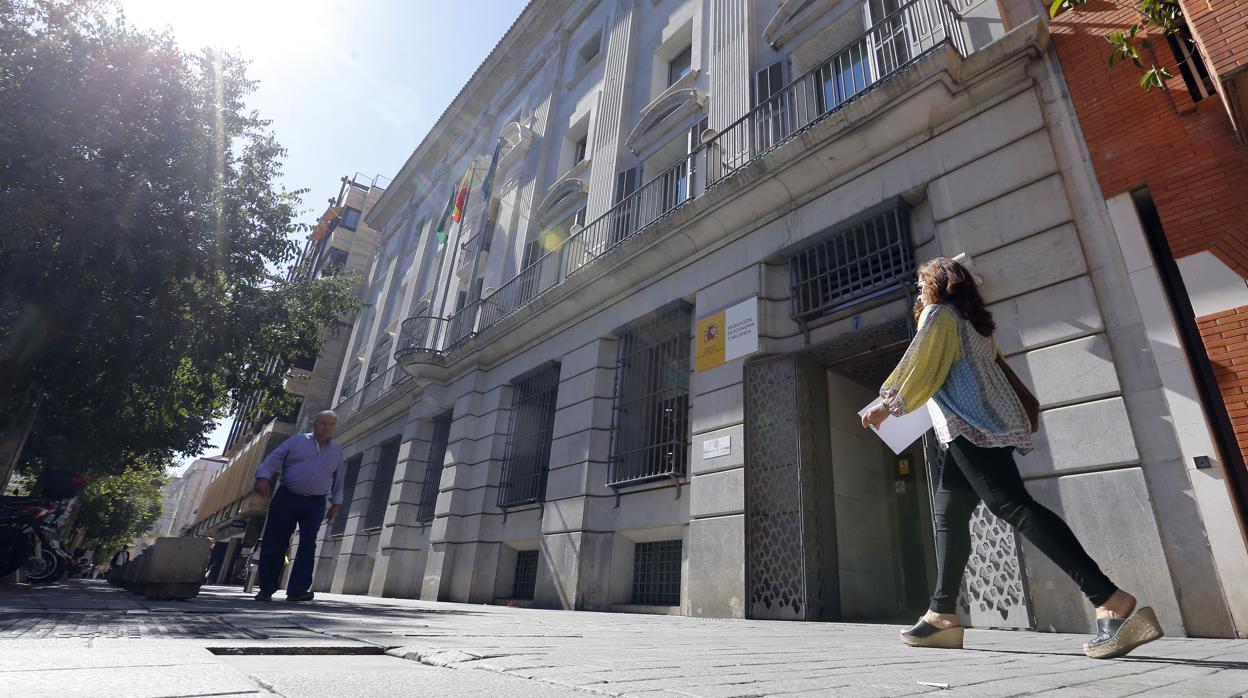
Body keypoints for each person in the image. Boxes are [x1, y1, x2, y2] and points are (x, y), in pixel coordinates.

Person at [861, 257, 1163, 660]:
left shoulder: (938, 315)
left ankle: (1109, 598)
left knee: (1013, 505)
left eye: (921, 285)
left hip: (971, 427)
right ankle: (940, 614)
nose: (918, 294)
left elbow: (921, 365)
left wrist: (886, 404)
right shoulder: (976, 323)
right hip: (979, 426)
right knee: (949, 514)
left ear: (937, 284)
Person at [252, 410, 345, 602]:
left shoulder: (336, 450)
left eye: (331, 425)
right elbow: (274, 459)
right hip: (287, 497)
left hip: (316, 503)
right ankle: (266, 589)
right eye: (323, 423)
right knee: (275, 541)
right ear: (314, 424)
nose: (326, 428)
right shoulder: (296, 441)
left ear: (334, 427)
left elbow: (339, 478)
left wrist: (336, 502)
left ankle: (297, 590)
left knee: (308, 543)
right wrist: (263, 477)